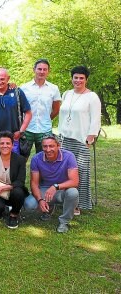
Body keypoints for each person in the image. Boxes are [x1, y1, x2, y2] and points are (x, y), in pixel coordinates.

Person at [57, 65, 101, 213]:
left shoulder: (92, 97)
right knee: (65, 171)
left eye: (81, 78)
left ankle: (77, 204)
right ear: (72, 79)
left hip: (81, 140)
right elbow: (62, 116)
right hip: (64, 139)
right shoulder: (67, 94)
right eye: (75, 77)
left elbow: (95, 119)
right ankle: (65, 200)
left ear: (86, 80)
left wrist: (90, 138)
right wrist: (59, 136)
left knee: (80, 172)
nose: (78, 80)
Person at [24, 134, 79, 233]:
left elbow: (74, 181)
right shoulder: (36, 158)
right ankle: (48, 208)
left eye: (51, 146)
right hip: (45, 189)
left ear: (58, 146)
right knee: (29, 204)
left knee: (73, 193)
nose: (48, 149)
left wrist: (56, 187)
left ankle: (64, 222)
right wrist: (40, 199)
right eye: (45, 146)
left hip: (62, 189)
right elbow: (34, 183)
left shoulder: (69, 156)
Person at [0, 68, 32, 155]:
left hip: (12, 138)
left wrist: (21, 131)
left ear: (8, 78)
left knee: (12, 167)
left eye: (2, 79)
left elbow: (28, 113)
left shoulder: (17, 92)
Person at [0, 131, 27, 229]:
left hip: (12, 190)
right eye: (2, 143)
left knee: (18, 193)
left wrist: (2, 188)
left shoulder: (20, 160)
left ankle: (14, 215)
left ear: (12, 145)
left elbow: (20, 181)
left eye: (8, 143)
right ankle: (0, 210)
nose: (5, 146)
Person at [20, 59, 61, 156]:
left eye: (44, 69)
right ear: (34, 69)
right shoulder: (24, 88)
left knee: (45, 159)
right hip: (27, 129)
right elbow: (19, 108)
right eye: (39, 69)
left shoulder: (54, 89)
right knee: (22, 158)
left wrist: (46, 119)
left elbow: (56, 109)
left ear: (48, 71)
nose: (42, 72)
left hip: (45, 130)